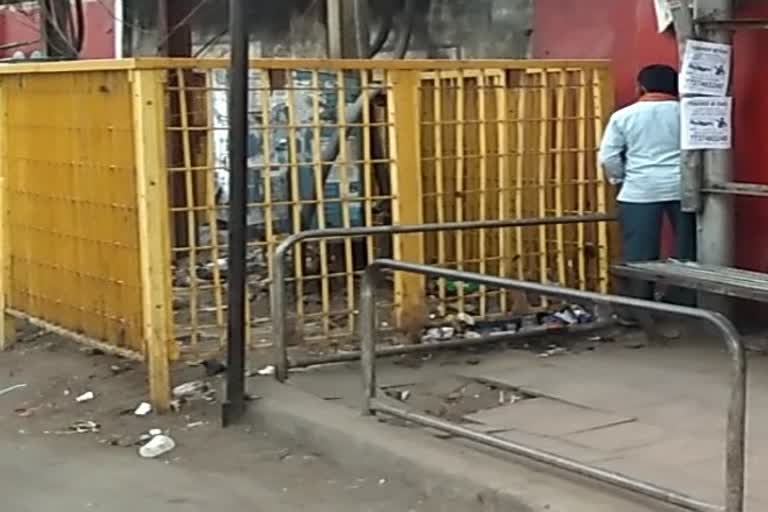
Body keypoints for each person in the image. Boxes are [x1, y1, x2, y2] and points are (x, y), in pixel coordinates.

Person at [598, 64, 696, 307]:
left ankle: (640, 308)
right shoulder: (688, 114)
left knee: (640, 254)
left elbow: (608, 157)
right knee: (688, 250)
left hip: (639, 190)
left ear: (640, 87)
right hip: (683, 188)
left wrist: (619, 178)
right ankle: (684, 302)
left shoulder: (623, 116)